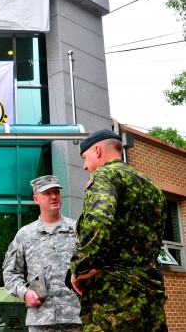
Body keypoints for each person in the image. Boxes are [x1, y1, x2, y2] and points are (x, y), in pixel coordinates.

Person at [69, 129, 168, 331]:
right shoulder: (151, 187)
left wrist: (79, 270)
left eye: (84, 157)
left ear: (97, 151)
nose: (84, 165)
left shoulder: (105, 175)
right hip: (151, 296)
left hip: (114, 299)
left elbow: (98, 224)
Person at [3, 175, 82, 332]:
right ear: (36, 199)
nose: (53, 196)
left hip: (77, 318)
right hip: (41, 320)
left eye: (56, 192)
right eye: (47, 193)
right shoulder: (25, 235)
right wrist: (24, 293)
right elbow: (10, 273)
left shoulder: (77, 229)